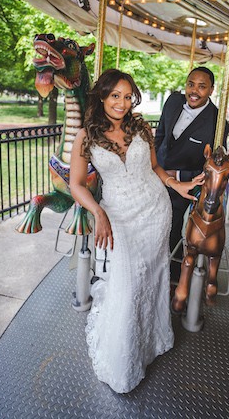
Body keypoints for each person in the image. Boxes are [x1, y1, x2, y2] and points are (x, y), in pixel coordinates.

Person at [70, 69, 203, 394]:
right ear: (102, 96)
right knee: (128, 284)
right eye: (115, 95)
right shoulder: (85, 136)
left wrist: (177, 184)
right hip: (119, 217)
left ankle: (151, 339)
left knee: (151, 277)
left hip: (155, 213)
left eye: (128, 96)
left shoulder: (142, 127)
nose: (122, 102)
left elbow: (155, 168)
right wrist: (97, 211)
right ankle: (124, 359)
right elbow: (75, 184)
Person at [155, 66, 229, 282]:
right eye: (191, 84)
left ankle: (173, 274)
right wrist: (154, 164)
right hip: (156, 174)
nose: (194, 91)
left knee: (171, 225)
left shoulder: (217, 122)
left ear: (211, 90)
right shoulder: (172, 102)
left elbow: (214, 169)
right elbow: (160, 135)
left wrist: (177, 176)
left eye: (202, 86)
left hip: (186, 184)